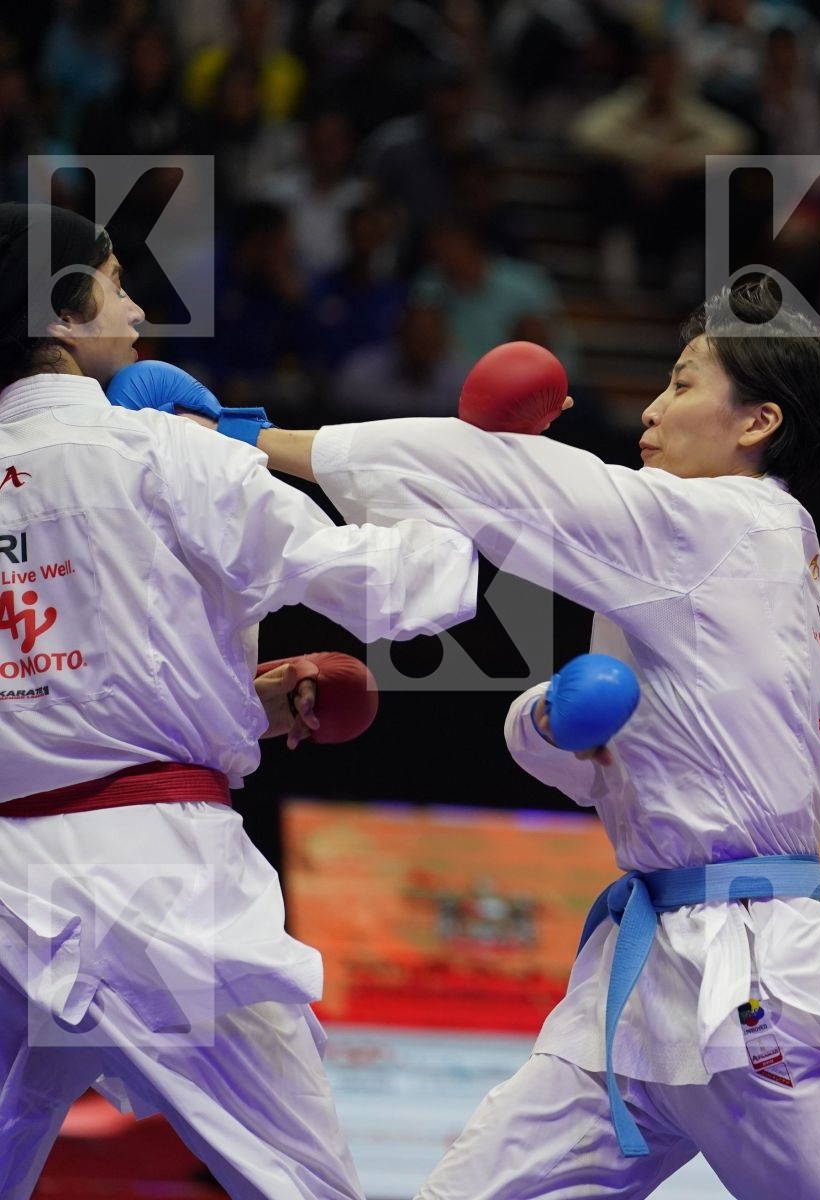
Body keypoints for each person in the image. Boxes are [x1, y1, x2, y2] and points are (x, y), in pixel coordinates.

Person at [254, 279, 820, 1198]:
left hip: (748, 984)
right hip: (640, 983)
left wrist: (255, 443)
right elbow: (607, 760)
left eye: (684, 384)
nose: (652, 409)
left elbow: (510, 482)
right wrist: (544, 719)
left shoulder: (722, 525)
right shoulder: (697, 558)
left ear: (756, 423)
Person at [0, 202, 479, 1199]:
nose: (135, 304)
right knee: (302, 1185)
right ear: (63, 311)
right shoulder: (161, 450)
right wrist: (458, 494)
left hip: (10, 885)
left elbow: (64, 669)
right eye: (117, 281)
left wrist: (233, 701)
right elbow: (397, 589)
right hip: (158, 881)